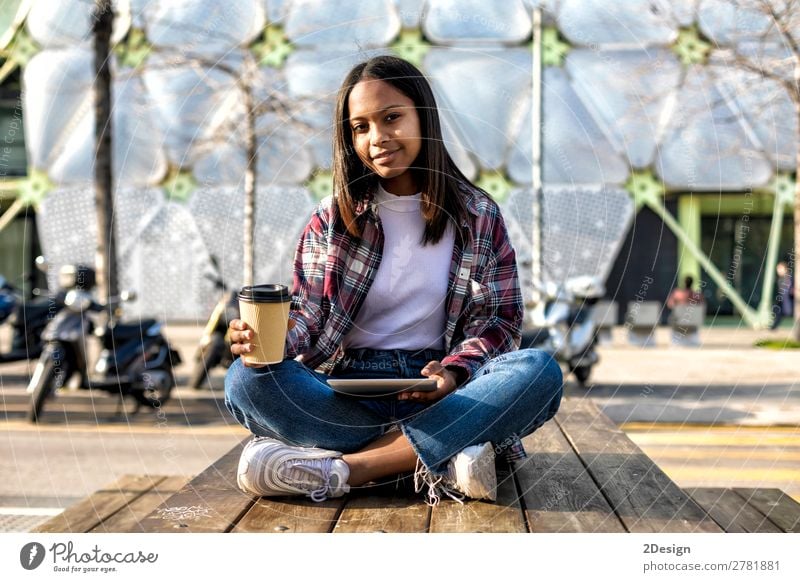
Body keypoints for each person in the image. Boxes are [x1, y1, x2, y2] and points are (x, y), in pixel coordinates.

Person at [223, 55, 563, 505]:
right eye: (360, 127)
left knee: (539, 372)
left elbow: (499, 321)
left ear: (422, 116)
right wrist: (272, 340)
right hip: (347, 397)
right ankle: (436, 457)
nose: (377, 138)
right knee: (243, 381)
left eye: (391, 118)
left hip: (440, 391)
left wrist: (456, 371)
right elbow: (308, 316)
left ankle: (349, 469)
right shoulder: (331, 219)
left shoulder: (478, 215)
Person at [770, 261, 794, 330]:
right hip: (784, 302)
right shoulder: (780, 279)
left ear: (785, 269)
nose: (778, 271)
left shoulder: (790, 278)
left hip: (790, 302)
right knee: (776, 310)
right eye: (777, 269)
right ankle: (773, 327)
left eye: (780, 269)